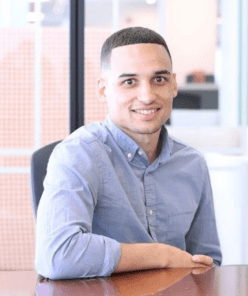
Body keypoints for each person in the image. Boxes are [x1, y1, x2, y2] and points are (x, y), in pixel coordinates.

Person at [35, 26, 222, 280]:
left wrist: (200, 268)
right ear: (103, 90)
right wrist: (163, 256)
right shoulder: (78, 154)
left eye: (159, 79)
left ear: (174, 85)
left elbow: (208, 264)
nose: (147, 96)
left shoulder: (192, 163)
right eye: (129, 82)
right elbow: (57, 255)